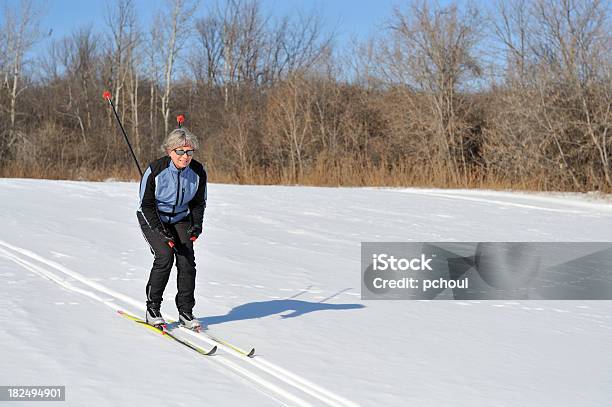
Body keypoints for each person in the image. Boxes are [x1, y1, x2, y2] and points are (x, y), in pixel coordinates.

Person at [136, 127, 207, 329]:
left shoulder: (198, 172)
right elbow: (146, 205)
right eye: (180, 151)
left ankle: (185, 312)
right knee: (165, 256)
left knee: (186, 261)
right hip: (153, 217)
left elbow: (198, 203)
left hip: (180, 218)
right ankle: (153, 308)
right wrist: (160, 231)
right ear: (169, 151)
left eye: (189, 152)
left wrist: (196, 226)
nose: (185, 157)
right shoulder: (156, 170)